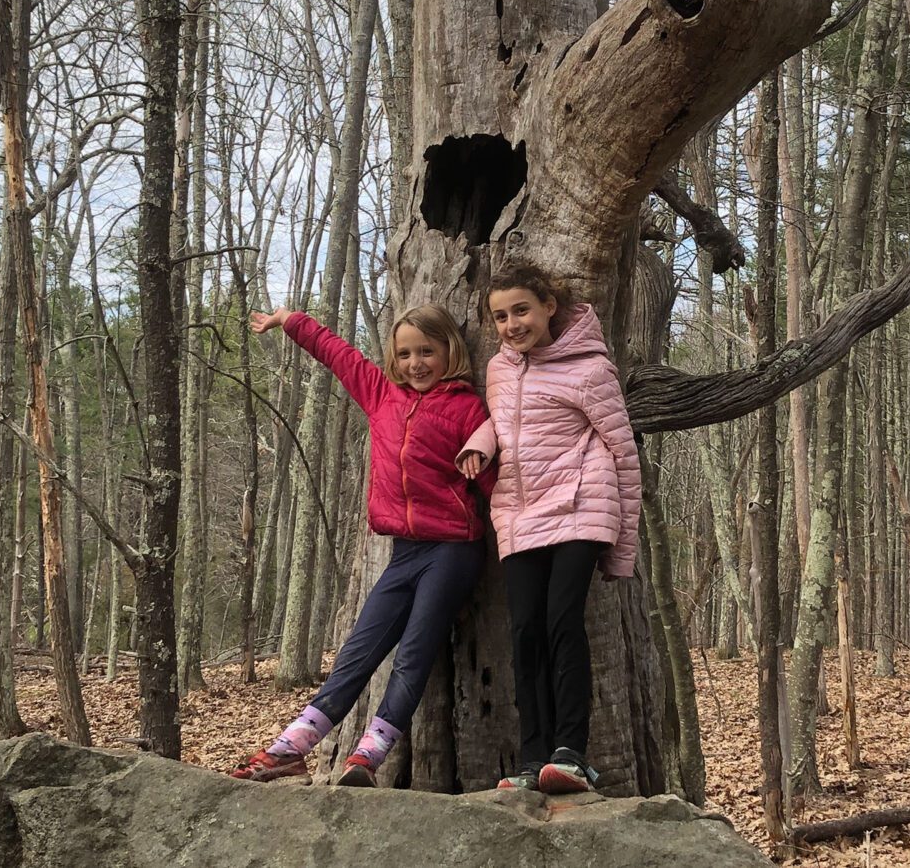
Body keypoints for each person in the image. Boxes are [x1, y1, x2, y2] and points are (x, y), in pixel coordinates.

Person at [232, 303, 495, 786]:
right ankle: (294, 747)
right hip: (404, 552)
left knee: (415, 652)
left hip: (454, 550)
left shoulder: (467, 408)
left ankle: (368, 756)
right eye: (406, 354)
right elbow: (338, 354)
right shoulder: (382, 395)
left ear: (449, 351)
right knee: (359, 649)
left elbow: (495, 481)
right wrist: (290, 321)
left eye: (427, 352)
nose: (416, 363)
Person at [457, 269, 640, 795]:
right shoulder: (497, 368)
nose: (512, 324)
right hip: (518, 509)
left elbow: (624, 452)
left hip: (581, 503)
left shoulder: (590, 368)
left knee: (562, 622)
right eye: (500, 315)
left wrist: (621, 550)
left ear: (549, 307)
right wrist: (481, 444)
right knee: (524, 633)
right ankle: (532, 756)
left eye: (522, 311)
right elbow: (503, 418)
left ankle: (570, 753)